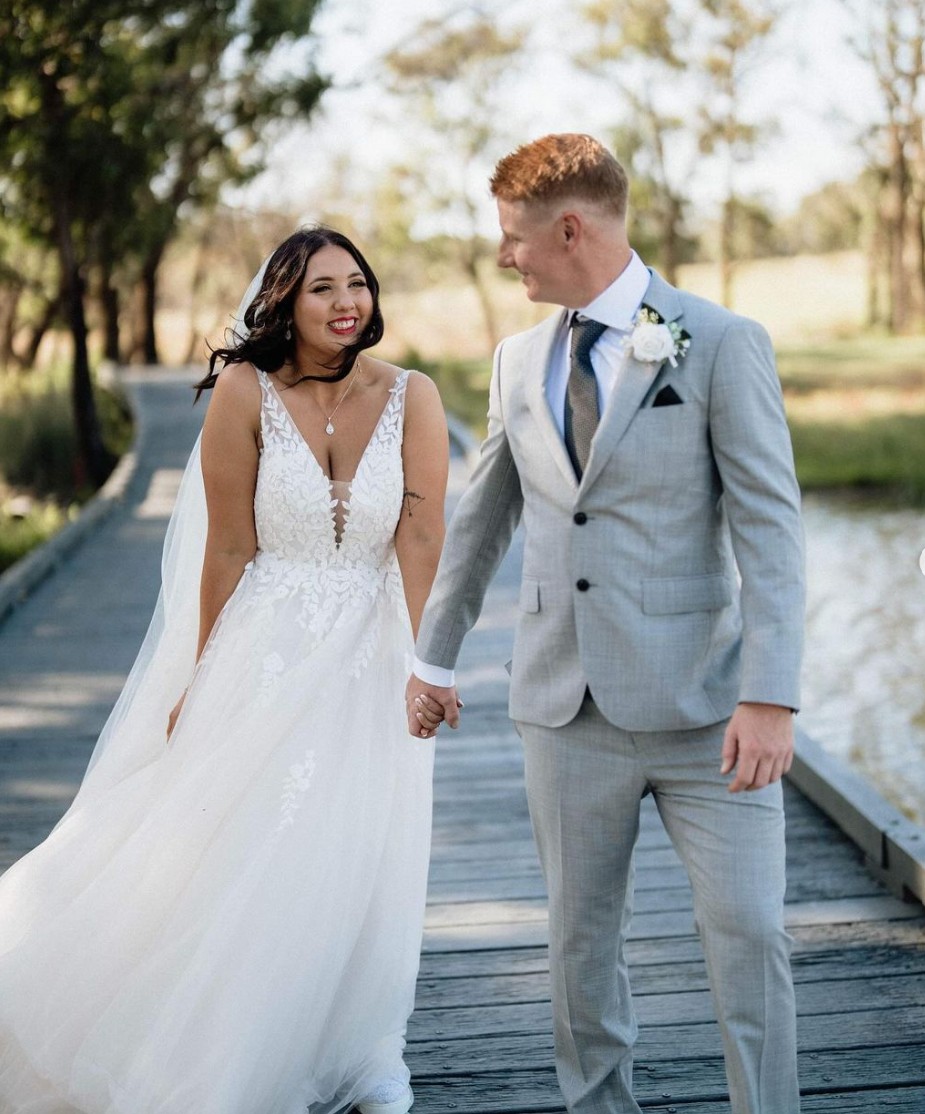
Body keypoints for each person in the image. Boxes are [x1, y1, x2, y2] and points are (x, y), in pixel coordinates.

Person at [0, 227, 448, 1114]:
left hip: (372, 652)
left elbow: (422, 535)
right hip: (266, 645)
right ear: (283, 303)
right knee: (257, 843)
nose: (345, 303)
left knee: (362, 846)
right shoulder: (245, 391)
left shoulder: (412, 394)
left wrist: (423, 662)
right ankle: (230, 1044)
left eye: (356, 283)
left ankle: (364, 1048)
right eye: (321, 288)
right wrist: (200, 678)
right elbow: (230, 548)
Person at [407, 134, 805, 1114]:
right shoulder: (515, 361)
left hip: (708, 713)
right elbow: (482, 520)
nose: (503, 254)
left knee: (749, 932)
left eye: (513, 236)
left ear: (570, 230)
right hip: (562, 706)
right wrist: (433, 657)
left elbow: (770, 531)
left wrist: (769, 696)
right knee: (579, 945)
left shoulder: (719, 342)